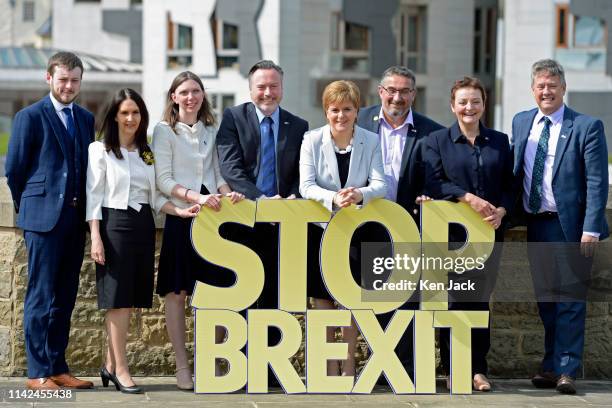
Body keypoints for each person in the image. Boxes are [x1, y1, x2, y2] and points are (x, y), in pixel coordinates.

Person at [86, 88, 200, 393]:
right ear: (113, 116)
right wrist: (95, 237)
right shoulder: (100, 150)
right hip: (114, 225)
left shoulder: (146, 152)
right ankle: (121, 370)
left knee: (132, 298)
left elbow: (155, 199)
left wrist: (181, 210)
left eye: (135, 112)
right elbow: (93, 197)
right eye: (124, 113)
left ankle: (109, 366)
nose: (130, 118)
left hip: (142, 226)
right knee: (117, 301)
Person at [512, 59, 609, 394]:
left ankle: (567, 368)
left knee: (570, 299)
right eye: (540, 85)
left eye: (552, 85)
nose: (546, 91)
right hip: (536, 225)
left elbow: (598, 181)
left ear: (563, 88)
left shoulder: (586, 125)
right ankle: (551, 365)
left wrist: (591, 227)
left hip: (570, 227)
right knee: (546, 301)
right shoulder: (522, 121)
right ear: (532, 89)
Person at [5, 52, 95, 390]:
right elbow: (14, 169)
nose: (69, 86)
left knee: (65, 297)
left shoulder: (86, 119)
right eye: (63, 79)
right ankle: (37, 373)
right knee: (40, 296)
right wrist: (29, 207)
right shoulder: (29, 116)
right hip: (42, 221)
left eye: (74, 80)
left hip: (75, 221)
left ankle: (58, 367)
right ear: (49, 78)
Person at [216, 60, 308, 386]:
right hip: (243, 222)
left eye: (273, 86)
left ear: (282, 88)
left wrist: (291, 198)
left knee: (275, 297)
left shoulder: (298, 126)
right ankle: (240, 368)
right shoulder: (232, 118)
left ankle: (270, 368)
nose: (267, 92)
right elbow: (231, 168)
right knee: (241, 297)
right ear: (250, 88)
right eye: (261, 86)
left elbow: (302, 173)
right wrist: (262, 201)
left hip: (283, 225)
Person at [152, 71, 244, 390]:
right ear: (174, 97)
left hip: (212, 220)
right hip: (181, 217)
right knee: (177, 294)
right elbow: (162, 180)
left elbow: (217, 172)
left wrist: (226, 191)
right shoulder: (164, 132)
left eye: (196, 91)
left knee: (216, 292)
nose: (191, 97)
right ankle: (182, 365)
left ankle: (211, 359)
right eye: (184, 92)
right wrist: (196, 197)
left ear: (203, 95)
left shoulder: (211, 129)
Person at [424, 77, 513, 391]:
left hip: (488, 236)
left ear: (483, 105)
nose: (469, 107)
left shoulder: (500, 142)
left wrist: (502, 210)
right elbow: (434, 183)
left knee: (479, 302)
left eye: (475, 101)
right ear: (453, 105)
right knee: (451, 302)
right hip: (450, 236)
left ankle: (477, 369)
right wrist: (468, 197)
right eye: (463, 101)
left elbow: (510, 187)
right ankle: (451, 367)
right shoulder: (436, 141)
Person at [357, 66, 444, 381]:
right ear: (380, 91)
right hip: (366, 227)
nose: (397, 97)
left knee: (407, 300)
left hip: (411, 227)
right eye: (391, 90)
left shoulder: (432, 131)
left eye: (405, 91)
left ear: (413, 94)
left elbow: (437, 179)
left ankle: (404, 368)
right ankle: (377, 366)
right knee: (371, 297)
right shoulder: (358, 121)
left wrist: (429, 197)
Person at [299, 80, 387, 376]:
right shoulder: (311, 140)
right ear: (326, 111)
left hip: (357, 230)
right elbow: (306, 186)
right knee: (322, 298)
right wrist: (333, 197)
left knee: (351, 299)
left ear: (356, 111)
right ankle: (329, 366)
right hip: (321, 229)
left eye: (347, 109)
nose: (341, 116)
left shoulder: (370, 140)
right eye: (335, 110)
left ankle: (349, 364)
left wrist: (360, 194)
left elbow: (380, 185)